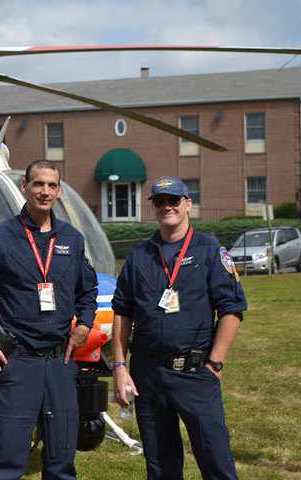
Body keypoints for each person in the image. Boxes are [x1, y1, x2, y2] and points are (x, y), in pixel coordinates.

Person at [0, 160, 98, 480]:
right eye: (38, 184)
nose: (44, 191)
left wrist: (85, 325)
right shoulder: (0, 237)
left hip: (61, 362)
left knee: (62, 458)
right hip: (18, 362)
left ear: (59, 191)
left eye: (51, 185)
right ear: (25, 188)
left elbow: (88, 289)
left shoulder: (72, 240)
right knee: (6, 458)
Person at [112, 176, 247, 480]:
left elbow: (232, 309)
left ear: (188, 204)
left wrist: (215, 361)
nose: (167, 207)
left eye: (174, 200)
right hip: (149, 376)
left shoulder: (210, 250)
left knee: (216, 460)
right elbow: (122, 313)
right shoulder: (138, 257)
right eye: (160, 201)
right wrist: (120, 367)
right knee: (160, 467)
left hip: (195, 372)